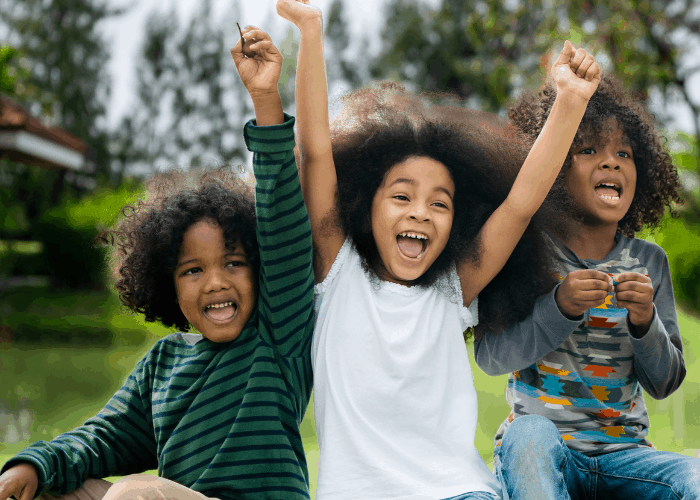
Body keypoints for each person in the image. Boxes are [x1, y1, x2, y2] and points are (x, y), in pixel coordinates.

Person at [277, 1, 601, 498]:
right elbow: (317, 150)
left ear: (458, 223)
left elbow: (519, 204)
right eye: (402, 197)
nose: (421, 212)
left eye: (440, 204)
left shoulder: (453, 290)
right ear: (365, 206)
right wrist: (311, 31)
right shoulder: (338, 272)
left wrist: (570, 103)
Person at [0, 27, 315, 500]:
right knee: (57, 489)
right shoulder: (163, 365)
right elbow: (102, 438)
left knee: (135, 494)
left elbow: (283, 221)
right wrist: (35, 465)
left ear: (262, 270)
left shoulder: (277, 337)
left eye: (233, 263)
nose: (214, 282)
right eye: (192, 270)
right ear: (167, 285)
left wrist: (265, 98)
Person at [473, 73, 700, 499]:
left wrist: (645, 322)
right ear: (555, 170)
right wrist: (557, 307)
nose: (611, 161)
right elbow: (490, 357)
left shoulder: (650, 262)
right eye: (589, 149)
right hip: (545, 453)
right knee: (529, 434)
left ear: (643, 173)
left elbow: (666, 382)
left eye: (625, 153)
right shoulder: (528, 252)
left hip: (626, 458)